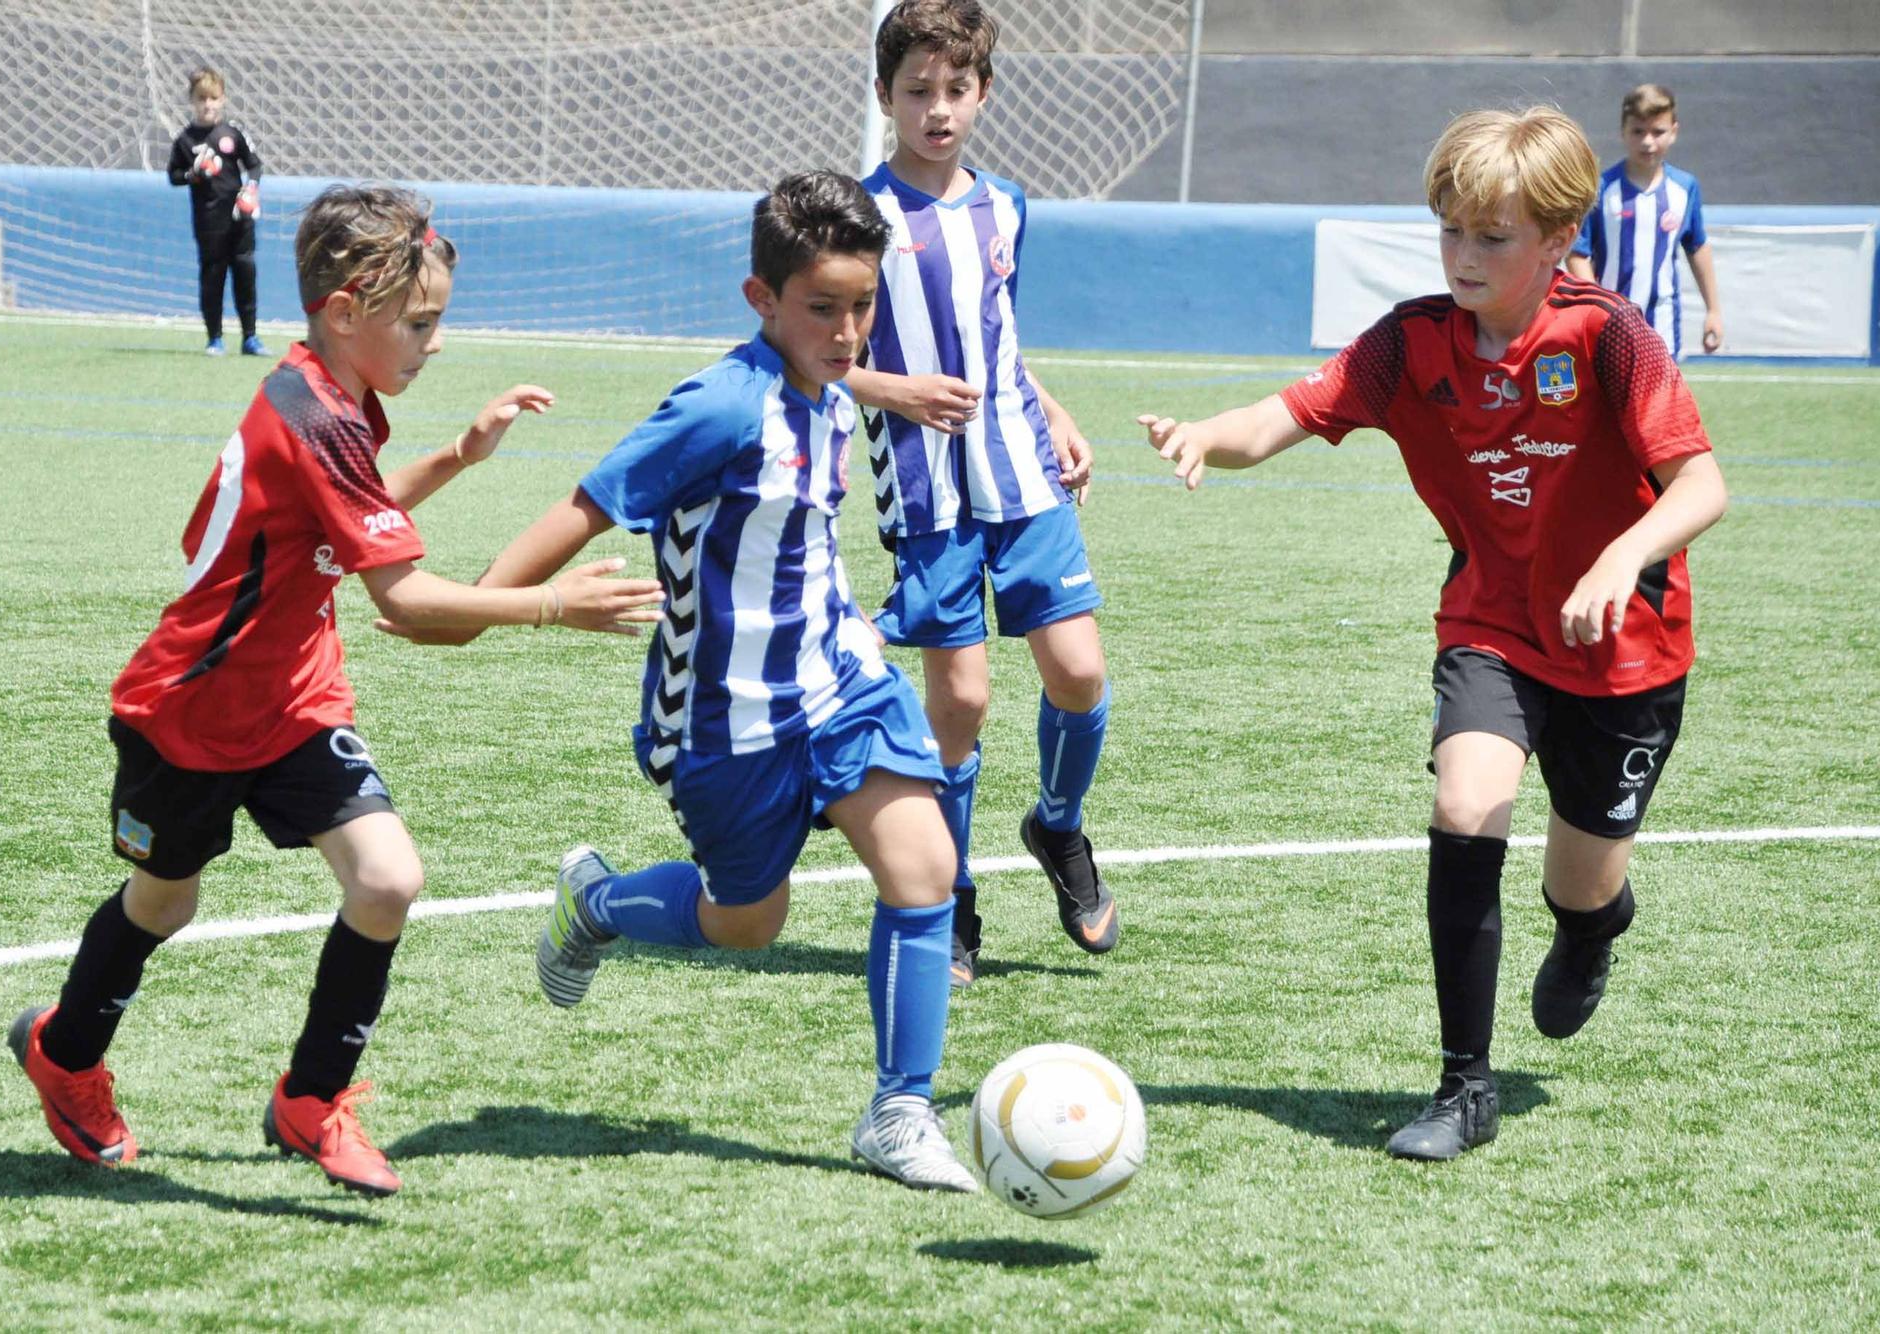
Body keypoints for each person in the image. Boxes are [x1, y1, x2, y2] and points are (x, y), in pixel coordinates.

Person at [8, 184, 663, 1198]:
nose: (434, 343)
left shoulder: (335, 395)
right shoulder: (304, 411)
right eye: (420, 323)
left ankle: (312, 1097)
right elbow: (398, 588)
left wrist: (452, 454)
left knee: (387, 879)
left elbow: (343, 517)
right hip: (191, 708)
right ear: (345, 309)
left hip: (296, 700)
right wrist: (547, 605)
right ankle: (65, 1054)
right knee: (163, 900)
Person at [1136, 107, 1727, 1161]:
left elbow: (1700, 483)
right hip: (1491, 624)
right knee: (1464, 804)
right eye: (1449, 230)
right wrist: (1203, 438)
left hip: (1625, 647)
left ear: (1555, 240)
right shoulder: (1409, 343)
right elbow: (1284, 415)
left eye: (1490, 237)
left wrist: (1613, 556)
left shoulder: (1607, 337)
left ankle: (1592, 924)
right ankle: (1463, 1084)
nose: (1462, 254)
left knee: (1576, 879)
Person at [392, 170, 978, 1192]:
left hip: (840, 684)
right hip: (723, 723)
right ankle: (600, 904)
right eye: (822, 308)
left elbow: (829, 413)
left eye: (861, 306)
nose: (847, 332)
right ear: (762, 300)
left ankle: (898, 1107)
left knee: (923, 869)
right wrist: (492, 605)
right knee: (746, 925)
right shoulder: (715, 410)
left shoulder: (830, 385)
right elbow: (587, 505)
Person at [844, 0, 1113, 989]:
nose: (936, 109)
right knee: (957, 700)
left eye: (955, 90)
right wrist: (893, 389)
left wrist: (1053, 410)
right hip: (923, 491)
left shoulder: (1006, 205)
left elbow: (993, 334)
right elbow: (815, 359)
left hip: (1020, 472)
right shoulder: (854, 217)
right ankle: (950, 898)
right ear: (884, 97)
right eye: (916, 91)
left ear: (983, 92)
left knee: (1076, 672)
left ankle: (1056, 823)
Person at [1565, 84, 1724, 359]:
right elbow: (1577, 253)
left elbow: (1697, 247)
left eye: (1657, 132)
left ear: (1674, 131)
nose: (1648, 141)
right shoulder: (1601, 188)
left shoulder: (1685, 188)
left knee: (1659, 402)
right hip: (1608, 323)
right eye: (1638, 131)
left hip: (1661, 323)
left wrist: (1713, 311)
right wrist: (1597, 306)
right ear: (1623, 131)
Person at [168, 67, 267, 356]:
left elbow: (255, 165)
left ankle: (250, 337)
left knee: (245, 274)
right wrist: (193, 174)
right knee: (213, 277)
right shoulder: (185, 140)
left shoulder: (232, 133)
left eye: (213, 98)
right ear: (192, 101)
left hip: (240, 220)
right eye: (201, 99)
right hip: (208, 222)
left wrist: (251, 189)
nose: (207, 104)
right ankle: (215, 338)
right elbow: (173, 176)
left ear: (222, 99)